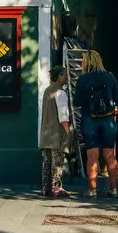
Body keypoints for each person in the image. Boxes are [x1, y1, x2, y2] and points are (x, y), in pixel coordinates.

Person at [74, 49, 118, 198]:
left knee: (92, 157)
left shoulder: (83, 79)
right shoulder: (110, 77)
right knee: (110, 155)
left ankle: (92, 190)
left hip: (90, 121)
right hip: (108, 120)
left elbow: (77, 102)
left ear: (86, 62)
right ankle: (113, 189)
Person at [40, 65, 73, 198]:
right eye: (64, 75)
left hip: (45, 134)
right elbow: (63, 116)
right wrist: (68, 132)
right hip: (56, 134)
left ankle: (45, 188)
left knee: (46, 163)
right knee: (57, 162)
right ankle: (56, 188)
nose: (66, 77)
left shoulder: (47, 91)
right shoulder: (60, 93)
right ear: (59, 76)